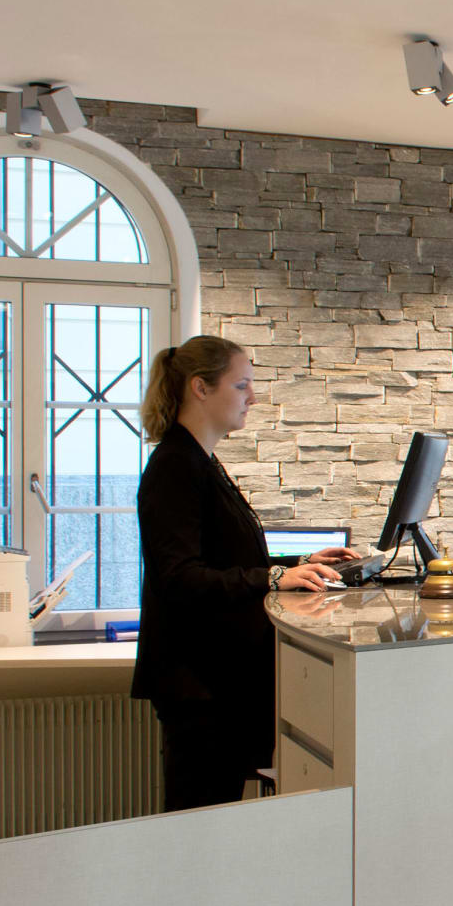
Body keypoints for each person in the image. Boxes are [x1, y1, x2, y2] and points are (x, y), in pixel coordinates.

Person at [131, 336, 356, 811]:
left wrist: (297, 565)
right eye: (241, 385)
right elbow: (179, 577)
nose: (252, 397)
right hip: (200, 687)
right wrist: (272, 579)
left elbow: (224, 558)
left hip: (218, 684)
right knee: (203, 823)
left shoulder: (200, 460)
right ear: (200, 388)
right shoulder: (175, 466)